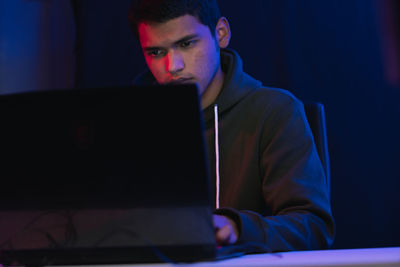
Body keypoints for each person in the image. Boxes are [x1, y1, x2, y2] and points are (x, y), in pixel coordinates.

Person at [129, 0, 335, 251]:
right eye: (156, 52)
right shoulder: (130, 121)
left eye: (186, 44)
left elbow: (313, 227)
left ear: (221, 34)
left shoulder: (274, 110)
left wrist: (238, 228)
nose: (173, 66)